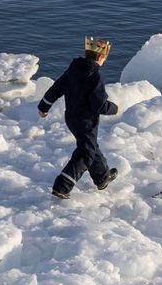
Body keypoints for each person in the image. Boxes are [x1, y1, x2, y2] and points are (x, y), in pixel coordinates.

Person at [39, 36, 122, 199]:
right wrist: (113, 108)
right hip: (86, 121)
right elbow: (99, 104)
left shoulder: (73, 69)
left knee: (90, 147)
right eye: (105, 57)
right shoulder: (95, 76)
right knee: (86, 153)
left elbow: (57, 88)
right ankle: (62, 186)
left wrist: (44, 106)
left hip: (71, 118)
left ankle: (102, 177)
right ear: (100, 57)